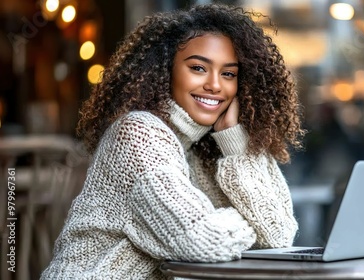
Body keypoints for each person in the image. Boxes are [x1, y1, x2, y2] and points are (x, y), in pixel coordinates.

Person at [41, 3, 304, 279]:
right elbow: (203, 240)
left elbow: (280, 234)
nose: (215, 85)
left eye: (228, 74)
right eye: (198, 68)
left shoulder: (207, 150)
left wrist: (236, 144)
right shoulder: (137, 134)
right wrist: (253, 219)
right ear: (166, 69)